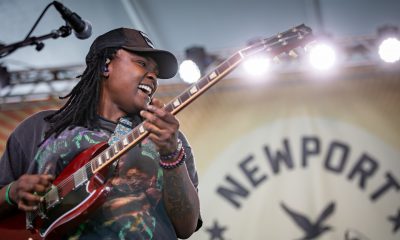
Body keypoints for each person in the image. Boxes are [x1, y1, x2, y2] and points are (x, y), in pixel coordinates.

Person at [0, 28, 201, 239]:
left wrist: (171, 154)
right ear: (106, 65)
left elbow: (185, 228)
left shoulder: (167, 138)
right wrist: (12, 193)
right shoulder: (40, 128)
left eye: (156, 73)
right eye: (142, 63)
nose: (153, 77)